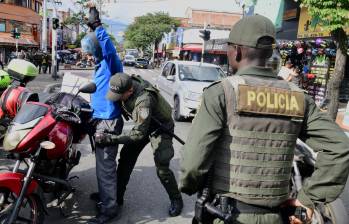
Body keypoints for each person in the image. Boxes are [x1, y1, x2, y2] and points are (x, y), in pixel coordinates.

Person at [179, 15, 349, 224]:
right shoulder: (298, 97)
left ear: (237, 51)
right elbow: (340, 147)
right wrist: (308, 198)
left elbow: (192, 166)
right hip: (276, 217)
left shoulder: (221, 93)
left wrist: (190, 185)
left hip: (227, 215)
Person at [94, 73, 183, 217]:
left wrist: (110, 139)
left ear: (129, 91)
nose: (116, 99)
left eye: (119, 96)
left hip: (160, 128)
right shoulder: (124, 82)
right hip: (143, 126)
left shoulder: (144, 101)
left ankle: (176, 198)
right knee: (125, 159)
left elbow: (137, 135)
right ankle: (116, 196)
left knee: (162, 166)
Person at [82, 4, 124, 224]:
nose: (89, 56)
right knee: (104, 165)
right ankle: (108, 196)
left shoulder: (110, 63)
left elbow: (109, 48)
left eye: (90, 52)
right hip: (100, 118)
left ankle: (109, 209)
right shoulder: (99, 66)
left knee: (105, 166)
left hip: (108, 122)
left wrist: (98, 26)